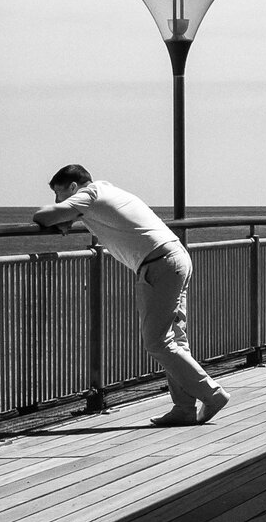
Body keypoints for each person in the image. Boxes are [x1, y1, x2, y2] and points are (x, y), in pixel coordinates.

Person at [34, 165, 229, 426]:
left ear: (72, 187)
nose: (59, 200)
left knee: (157, 342)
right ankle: (184, 408)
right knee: (175, 341)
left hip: (159, 264)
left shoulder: (89, 195)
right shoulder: (107, 191)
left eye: (60, 194)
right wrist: (70, 217)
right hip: (174, 257)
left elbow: (43, 216)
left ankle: (212, 394)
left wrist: (63, 215)